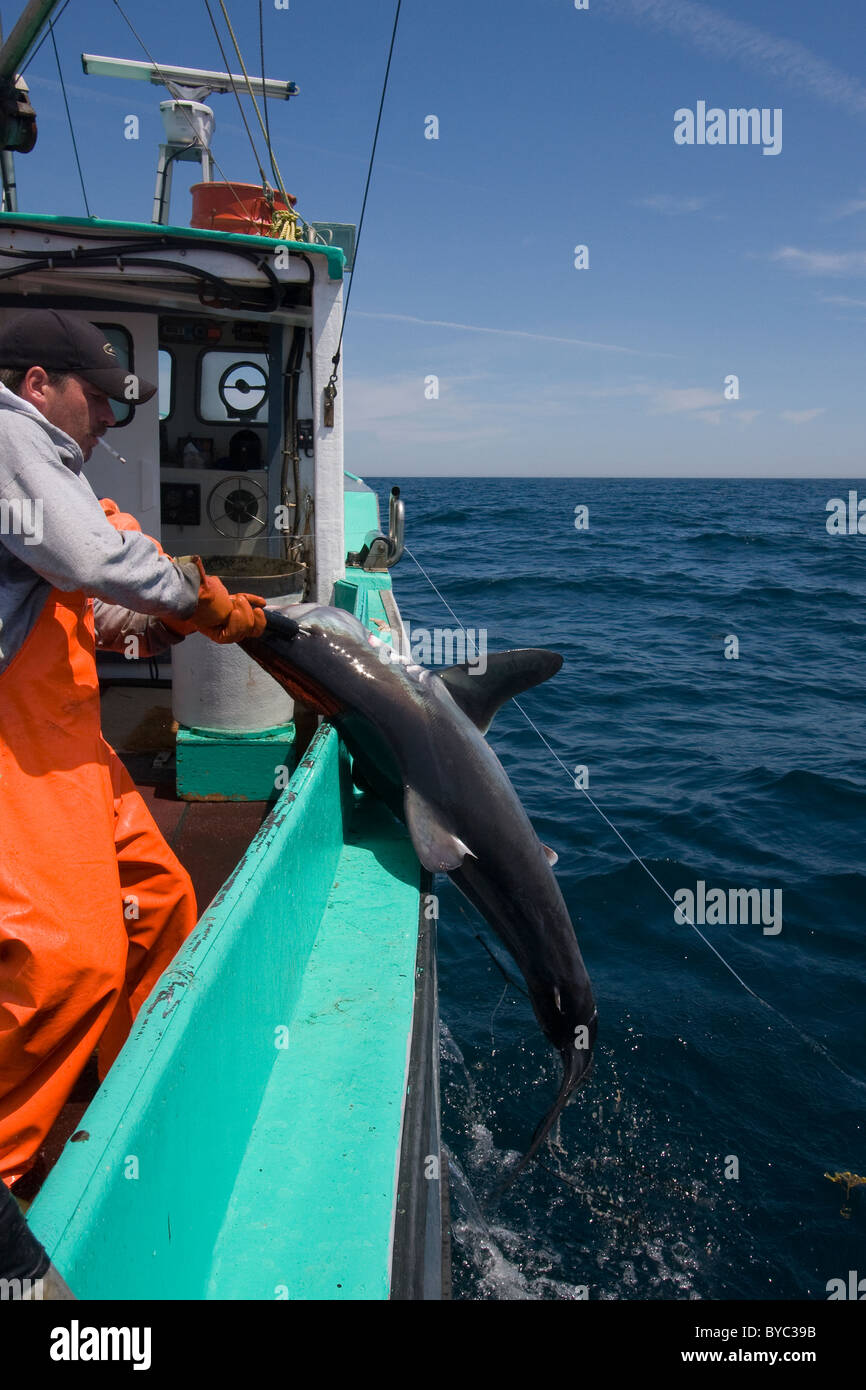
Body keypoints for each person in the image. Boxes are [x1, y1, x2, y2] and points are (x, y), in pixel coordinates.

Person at [0, 309, 266, 1191]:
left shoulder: (57, 464)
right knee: (70, 958)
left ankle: (133, 1094)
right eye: (100, 397)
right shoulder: (8, 432)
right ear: (38, 383)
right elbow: (85, 557)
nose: (113, 418)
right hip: (14, 743)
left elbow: (67, 594)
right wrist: (197, 601)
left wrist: (139, 631)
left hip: (68, 731)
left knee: (157, 899)